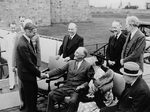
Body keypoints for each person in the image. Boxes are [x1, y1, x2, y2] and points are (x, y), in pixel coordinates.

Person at [46, 47, 94, 112]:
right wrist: (47, 74)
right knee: (51, 94)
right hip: (67, 86)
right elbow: (60, 70)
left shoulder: (88, 66)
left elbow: (89, 80)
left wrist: (82, 86)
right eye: (75, 52)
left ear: (82, 56)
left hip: (77, 89)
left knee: (73, 101)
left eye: (77, 53)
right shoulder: (70, 62)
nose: (74, 54)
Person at [16, 22, 46, 112]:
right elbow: (28, 63)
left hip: (28, 73)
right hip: (27, 74)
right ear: (27, 31)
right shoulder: (22, 44)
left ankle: (33, 109)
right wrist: (40, 74)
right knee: (30, 96)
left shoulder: (25, 40)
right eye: (34, 32)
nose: (35, 34)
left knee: (32, 94)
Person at [5, 22, 18, 90]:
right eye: (11, 28)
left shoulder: (17, 35)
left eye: (14, 28)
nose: (13, 29)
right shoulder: (7, 36)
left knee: (18, 70)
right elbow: (6, 47)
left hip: (16, 55)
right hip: (10, 55)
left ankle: (19, 83)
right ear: (9, 28)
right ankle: (12, 84)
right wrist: (8, 56)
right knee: (11, 70)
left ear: (15, 27)